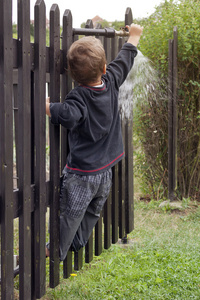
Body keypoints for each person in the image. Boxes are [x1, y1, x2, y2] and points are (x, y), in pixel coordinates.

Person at [46, 23, 143, 261]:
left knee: (70, 213)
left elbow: (68, 116)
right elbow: (125, 59)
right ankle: (78, 242)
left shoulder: (79, 96)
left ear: (72, 74)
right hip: (105, 171)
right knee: (93, 210)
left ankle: (55, 251)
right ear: (103, 67)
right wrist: (134, 36)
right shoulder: (110, 82)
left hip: (82, 174)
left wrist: (48, 107)